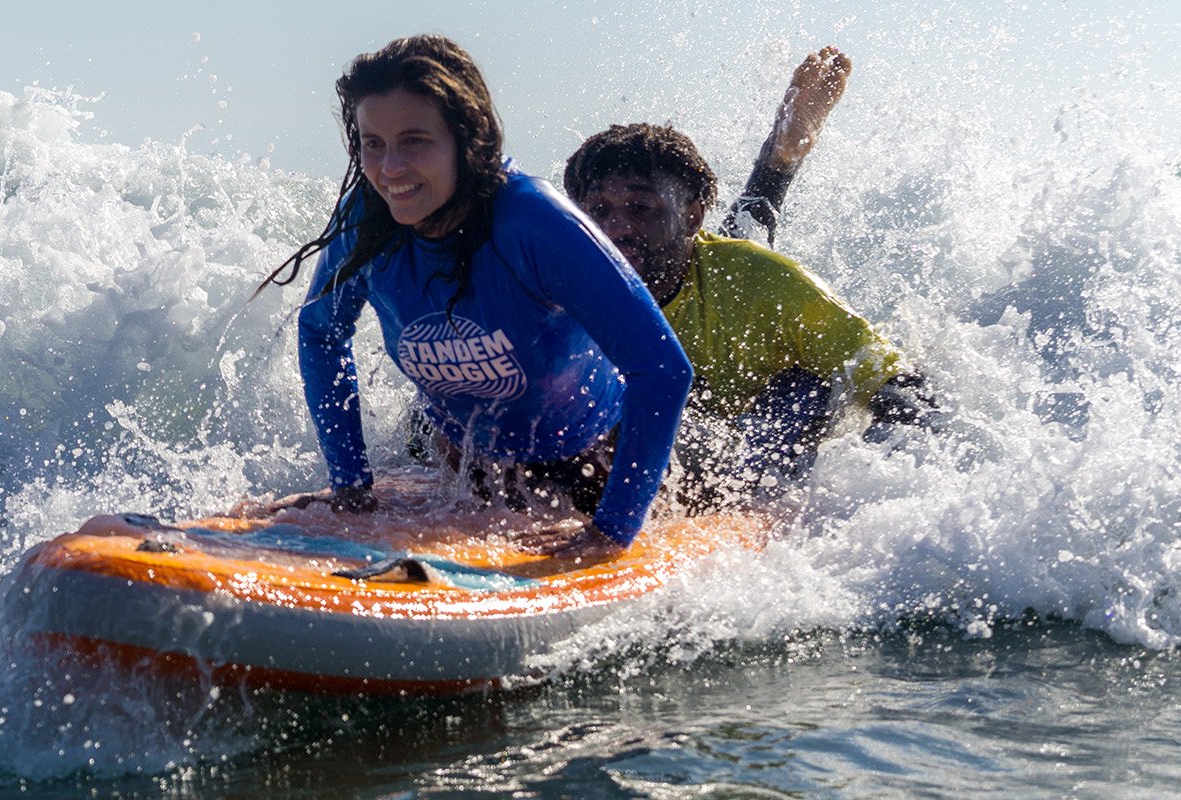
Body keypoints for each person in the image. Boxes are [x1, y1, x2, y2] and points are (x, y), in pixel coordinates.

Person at [258, 34, 693, 557]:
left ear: (469, 140)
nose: (390, 167)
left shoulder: (536, 223)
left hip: (597, 464)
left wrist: (612, 533)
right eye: (373, 142)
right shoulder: (366, 222)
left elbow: (663, 369)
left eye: (414, 140)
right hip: (465, 465)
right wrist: (351, 488)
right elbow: (320, 331)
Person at [563, 48, 938, 512]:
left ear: (694, 213)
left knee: (799, 381)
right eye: (598, 212)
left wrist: (912, 480)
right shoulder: (560, 287)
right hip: (690, 332)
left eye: (640, 209)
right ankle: (779, 158)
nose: (616, 229)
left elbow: (892, 379)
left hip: (761, 419)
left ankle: (781, 160)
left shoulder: (764, 282)